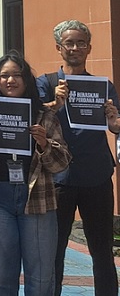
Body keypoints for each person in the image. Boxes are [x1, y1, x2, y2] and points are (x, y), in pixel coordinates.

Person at [0, 53, 70, 296]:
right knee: (0, 278)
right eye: (4, 76)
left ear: (26, 79)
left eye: (17, 75)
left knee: (40, 279)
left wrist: (44, 144)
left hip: (37, 197)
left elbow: (61, 163)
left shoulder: (43, 115)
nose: (10, 80)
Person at [35, 20, 120, 296]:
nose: (75, 48)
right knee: (54, 251)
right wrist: (54, 103)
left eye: (81, 43)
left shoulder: (103, 86)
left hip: (96, 176)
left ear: (89, 48)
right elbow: (32, 118)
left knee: (102, 251)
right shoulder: (46, 83)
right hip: (58, 179)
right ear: (59, 48)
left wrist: (114, 123)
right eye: (69, 43)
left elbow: (116, 124)